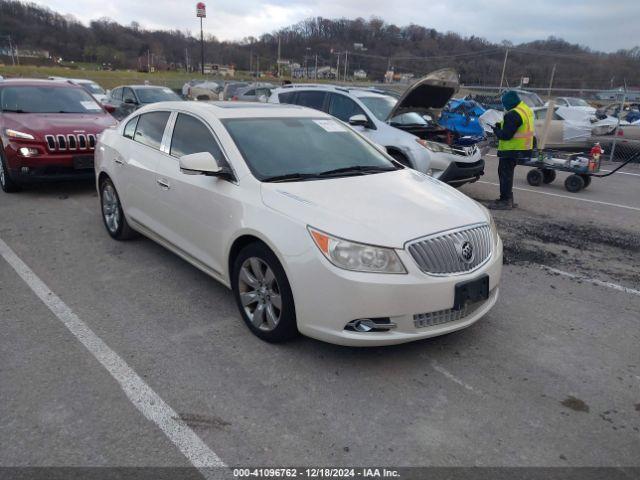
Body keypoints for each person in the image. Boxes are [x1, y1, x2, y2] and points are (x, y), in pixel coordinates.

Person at [488, 90, 535, 210]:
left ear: (509, 103)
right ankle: (509, 199)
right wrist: (501, 126)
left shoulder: (512, 114)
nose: (504, 107)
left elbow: (505, 135)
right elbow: (514, 127)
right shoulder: (524, 109)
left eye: (504, 104)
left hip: (512, 149)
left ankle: (505, 201)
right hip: (523, 148)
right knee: (508, 174)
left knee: (504, 174)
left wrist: (495, 130)